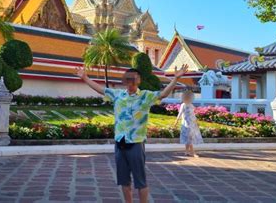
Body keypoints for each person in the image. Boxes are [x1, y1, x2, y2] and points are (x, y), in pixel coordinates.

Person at [75, 64, 188, 203]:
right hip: (120, 143)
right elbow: (101, 90)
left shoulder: (146, 96)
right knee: (124, 180)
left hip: (135, 143)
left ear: (138, 80)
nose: (130, 82)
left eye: (133, 79)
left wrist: (175, 79)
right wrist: (85, 78)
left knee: (140, 181)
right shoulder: (117, 95)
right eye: (127, 79)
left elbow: (163, 94)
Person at [174, 90, 203, 157]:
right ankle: (192, 152)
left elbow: (193, 115)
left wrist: (196, 122)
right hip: (186, 123)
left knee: (189, 137)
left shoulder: (191, 105)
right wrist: (176, 121)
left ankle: (187, 151)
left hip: (192, 123)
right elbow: (180, 113)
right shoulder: (183, 105)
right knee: (188, 137)